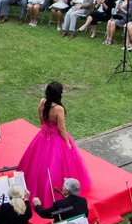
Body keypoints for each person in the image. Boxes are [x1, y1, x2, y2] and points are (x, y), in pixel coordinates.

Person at [18, 82, 90, 210]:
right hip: (56, 137)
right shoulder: (59, 109)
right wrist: (67, 142)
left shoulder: (42, 102)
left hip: (43, 135)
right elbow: (61, 128)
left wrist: (44, 128)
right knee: (59, 165)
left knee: (37, 165)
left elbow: (41, 119)